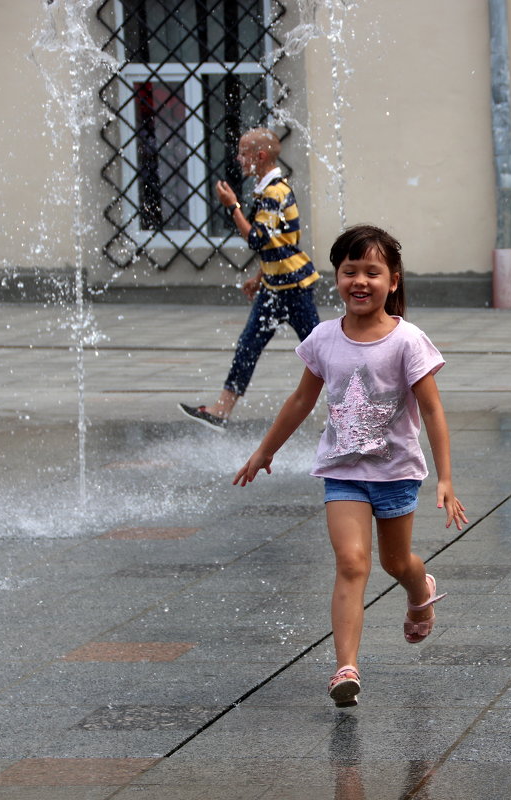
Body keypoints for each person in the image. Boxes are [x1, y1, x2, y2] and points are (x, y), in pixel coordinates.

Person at [233, 224, 468, 708]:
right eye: (349, 271)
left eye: (372, 272)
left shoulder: (407, 341)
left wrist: (444, 477)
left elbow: (433, 411)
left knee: (395, 562)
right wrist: (266, 449)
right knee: (351, 562)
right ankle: (346, 666)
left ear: (393, 281)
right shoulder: (323, 338)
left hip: (397, 472)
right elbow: (301, 399)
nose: (360, 281)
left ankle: (420, 588)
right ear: (336, 278)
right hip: (342, 471)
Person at [179, 128, 321, 431]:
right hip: (274, 287)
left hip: (294, 288)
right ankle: (221, 410)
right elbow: (279, 242)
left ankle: (350, 413)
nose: (238, 158)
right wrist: (259, 276)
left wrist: (232, 206)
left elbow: (257, 239)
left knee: (320, 352)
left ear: (260, 156)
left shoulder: (274, 193)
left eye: (243, 152)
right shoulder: (266, 190)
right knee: (248, 346)